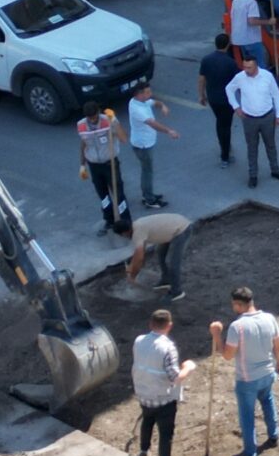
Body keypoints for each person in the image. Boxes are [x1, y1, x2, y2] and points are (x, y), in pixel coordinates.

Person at [223, 287, 279, 456]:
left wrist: (216, 336)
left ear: (237, 304)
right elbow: (278, 346)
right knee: (268, 400)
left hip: (247, 379)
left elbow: (227, 355)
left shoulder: (237, 327)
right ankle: (274, 434)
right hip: (267, 372)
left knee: (247, 416)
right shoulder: (269, 318)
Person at [130, 310, 194, 456]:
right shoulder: (168, 348)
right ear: (169, 326)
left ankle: (144, 451)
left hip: (143, 393)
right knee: (166, 433)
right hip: (163, 399)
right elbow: (175, 377)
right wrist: (188, 367)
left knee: (147, 421)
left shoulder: (139, 341)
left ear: (151, 324)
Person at [223, 50, 279, 189]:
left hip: (267, 117)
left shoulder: (267, 77)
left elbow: (276, 95)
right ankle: (253, 176)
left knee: (270, 145)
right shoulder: (240, 77)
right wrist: (236, 106)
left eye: (249, 67)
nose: (246, 70)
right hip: (249, 119)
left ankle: (275, 170)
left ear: (256, 66)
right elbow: (229, 89)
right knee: (252, 148)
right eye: (244, 67)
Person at [77, 105, 132, 235]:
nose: (93, 120)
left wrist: (114, 121)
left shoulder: (108, 120)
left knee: (118, 195)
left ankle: (125, 221)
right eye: (90, 118)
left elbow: (124, 138)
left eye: (95, 117)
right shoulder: (81, 125)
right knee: (103, 196)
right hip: (94, 165)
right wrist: (82, 165)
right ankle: (110, 220)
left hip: (110, 164)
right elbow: (84, 144)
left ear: (98, 112)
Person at [127, 79, 177, 210]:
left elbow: (155, 103)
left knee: (147, 170)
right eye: (148, 92)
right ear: (139, 94)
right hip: (143, 145)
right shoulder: (137, 109)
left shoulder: (141, 101)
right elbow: (152, 123)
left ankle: (148, 194)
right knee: (147, 172)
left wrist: (163, 106)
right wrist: (169, 131)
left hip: (145, 142)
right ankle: (149, 199)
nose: (151, 93)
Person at [125, 210, 194, 298]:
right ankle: (166, 280)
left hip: (182, 230)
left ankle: (177, 292)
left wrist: (132, 276)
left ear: (125, 233)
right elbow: (140, 252)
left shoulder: (138, 233)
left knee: (173, 263)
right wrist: (131, 266)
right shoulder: (136, 225)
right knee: (161, 253)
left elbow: (140, 257)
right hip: (171, 230)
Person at [196, 32, 240, 166]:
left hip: (213, 98)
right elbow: (238, 82)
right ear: (228, 45)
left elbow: (201, 79)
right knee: (225, 126)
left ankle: (225, 149)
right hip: (227, 100)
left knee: (220, 123)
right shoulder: (231, 63)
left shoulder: (206, 60)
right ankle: (225, 155)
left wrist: (201, 95)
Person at [227, 0, 268, 69]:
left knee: (248, 65)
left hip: (239, 39)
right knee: (260, 65)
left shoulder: (235, 1)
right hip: (251, 39)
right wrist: (269, 22)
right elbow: (252, 21)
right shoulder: (251, 3)